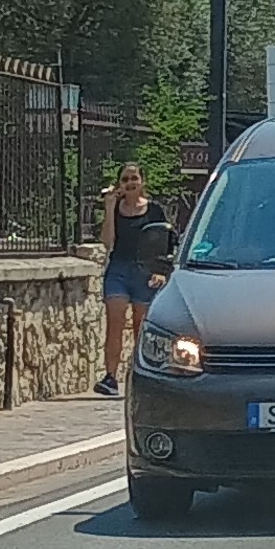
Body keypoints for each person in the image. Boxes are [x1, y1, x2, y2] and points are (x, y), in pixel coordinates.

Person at [94, 163, 168, 396]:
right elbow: (107, 242)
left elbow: (165, 244)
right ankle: (110, 377)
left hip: (145, 271)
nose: (130, 183)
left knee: (140, 326)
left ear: (142, 182)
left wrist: (161, 272)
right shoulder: (116, 209)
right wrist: (109, 208)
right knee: (114, 323)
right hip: (119, 268)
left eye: (134, 178)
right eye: (125, 179)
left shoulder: (154, 210)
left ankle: (139, 376)